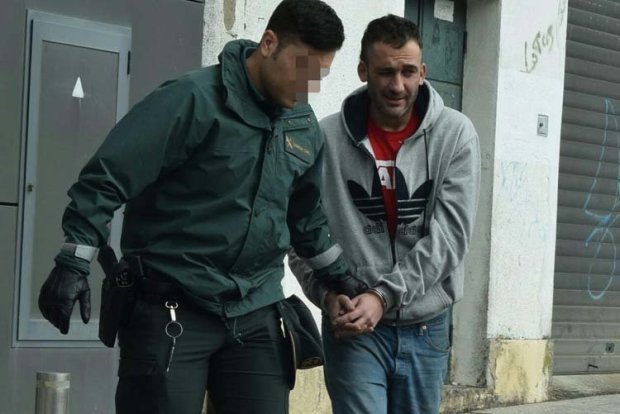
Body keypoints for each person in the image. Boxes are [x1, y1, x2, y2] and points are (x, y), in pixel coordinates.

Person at [37, 1, 364, 413]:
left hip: (256, 307)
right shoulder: (191, 100)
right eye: (302, 69)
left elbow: (306, 218)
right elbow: (108, 175)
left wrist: (338, 276)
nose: (307, 87)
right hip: (173, 305)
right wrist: (74, 261)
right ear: (268, 43)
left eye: (319, 75)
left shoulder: (302, 125)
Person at [290, 14, 481, 414]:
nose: (397, 85)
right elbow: (300, 233)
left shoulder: (456, 134)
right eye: (385, 72)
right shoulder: (324, 139)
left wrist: (383, 296)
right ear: (363, 71)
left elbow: (451, 237)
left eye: (408, 72)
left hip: (426, 326)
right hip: (354, 330)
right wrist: (326, 296)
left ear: (423, 73)